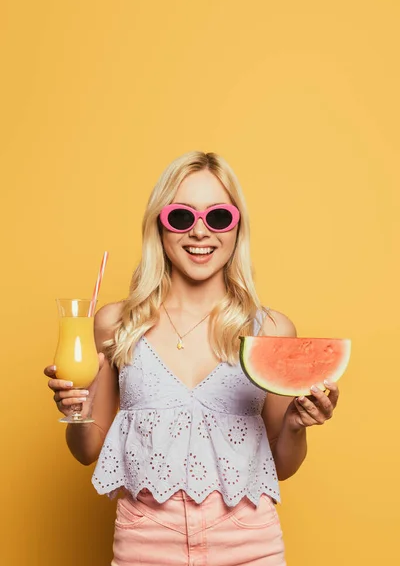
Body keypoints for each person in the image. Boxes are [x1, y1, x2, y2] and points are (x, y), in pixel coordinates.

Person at [44, 151, 340, 566]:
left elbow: (284, 466)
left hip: (250, 546)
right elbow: (86, 449)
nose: (200, 233)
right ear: (159, 227)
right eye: (182, 218)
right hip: (144, 545)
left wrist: (295, 425)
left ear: (237, 228)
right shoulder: (116, 322)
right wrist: (76, 410)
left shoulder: (270, 330)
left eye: (218, 218)